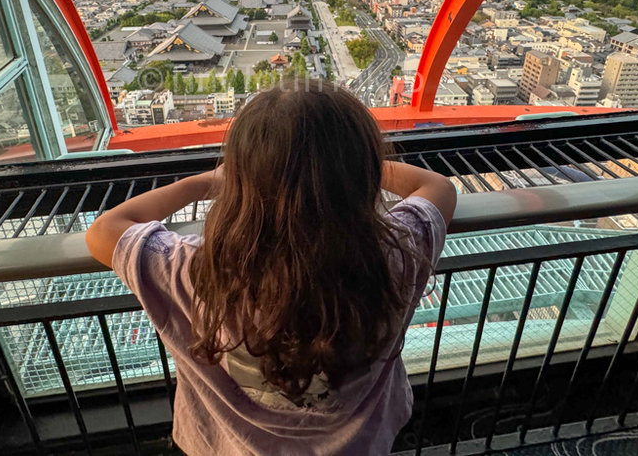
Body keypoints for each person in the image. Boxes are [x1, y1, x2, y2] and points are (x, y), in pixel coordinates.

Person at [86, 81, 456, 455]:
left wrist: (202, 183)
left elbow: (104, 231)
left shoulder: (195, 270)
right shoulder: (396, 253)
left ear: (242, 179)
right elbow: (437, 186)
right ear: (362, 171)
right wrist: (345, 167)